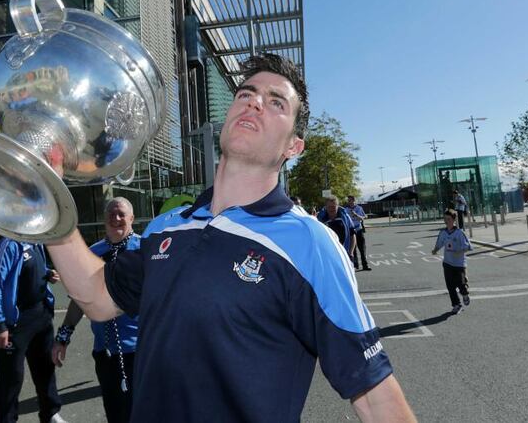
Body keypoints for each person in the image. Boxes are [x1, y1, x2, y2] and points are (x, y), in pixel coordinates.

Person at [46, 54, 415, 422]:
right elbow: (96, 298)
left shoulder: (309, 244)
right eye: (246, 94)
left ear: (293, 147)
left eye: (275, 103)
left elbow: (374, 396)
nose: (254, 101)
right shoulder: (166, 228)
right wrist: (46, 193)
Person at [52, 197, 140, 423]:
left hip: (140, 351)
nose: (116, 218)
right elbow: (79, 301)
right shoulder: (92, 253)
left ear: (132, 218)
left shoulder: (146, 250)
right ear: (104, 220)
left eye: (121, 214)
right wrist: (63, 337)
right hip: (105, 352)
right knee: (114, 412)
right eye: (111, 214)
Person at [0, 238, 66, 423]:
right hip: (17, 322)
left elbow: (29, 270)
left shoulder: (36, 241)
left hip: (41, 316)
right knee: (11, 379)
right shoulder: (9, 244)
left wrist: (48, 273)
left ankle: (50, 414)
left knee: (45, 370)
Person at [431, 209, 472, 315]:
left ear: (454, 220)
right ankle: (456, 305)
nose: (446, 221)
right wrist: (435, 250)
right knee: (450, 286)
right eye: (445, 219)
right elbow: (439, 243)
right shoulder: (443, 232)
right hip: (448, 263)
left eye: (448, 219)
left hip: (459, 264)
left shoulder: (459, 233)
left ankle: (465, 293)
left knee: (461, 284)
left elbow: (468, 246)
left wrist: (458, 250)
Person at [346, 195, 371, 271]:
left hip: (359, 229)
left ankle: (365, 265)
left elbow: (364, 217)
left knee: (362, 248)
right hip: (351, 230)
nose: (349, 202)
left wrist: (356, 214)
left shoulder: (359, 208)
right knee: (353, 249)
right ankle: (355, 265)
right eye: (348, 200)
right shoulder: (346, 209)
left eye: (350, 200)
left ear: (354, 200)